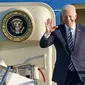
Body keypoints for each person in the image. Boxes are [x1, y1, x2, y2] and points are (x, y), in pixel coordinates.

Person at [39, 4, 85, 85]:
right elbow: (43, 44)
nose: (68, 19)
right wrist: (47, 33)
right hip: (63, 74)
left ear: (75, 16)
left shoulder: (83, 30)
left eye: (70, 16)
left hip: (81, 74)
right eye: (65, 16)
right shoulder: (56, 31)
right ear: (62, 17)